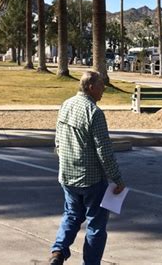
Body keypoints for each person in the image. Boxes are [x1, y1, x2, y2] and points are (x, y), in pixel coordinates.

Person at [49, 70, 125, 265]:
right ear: (91, 87)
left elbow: (58, 139)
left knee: (72, 215)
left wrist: (64, 160)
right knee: (96, 225)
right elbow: (104, 150)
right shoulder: (94, 112)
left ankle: (58, 251)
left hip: (67, 175)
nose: (104, 90)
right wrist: (117, 178)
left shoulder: (66, 105)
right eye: (101, 86)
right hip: (92, 179)